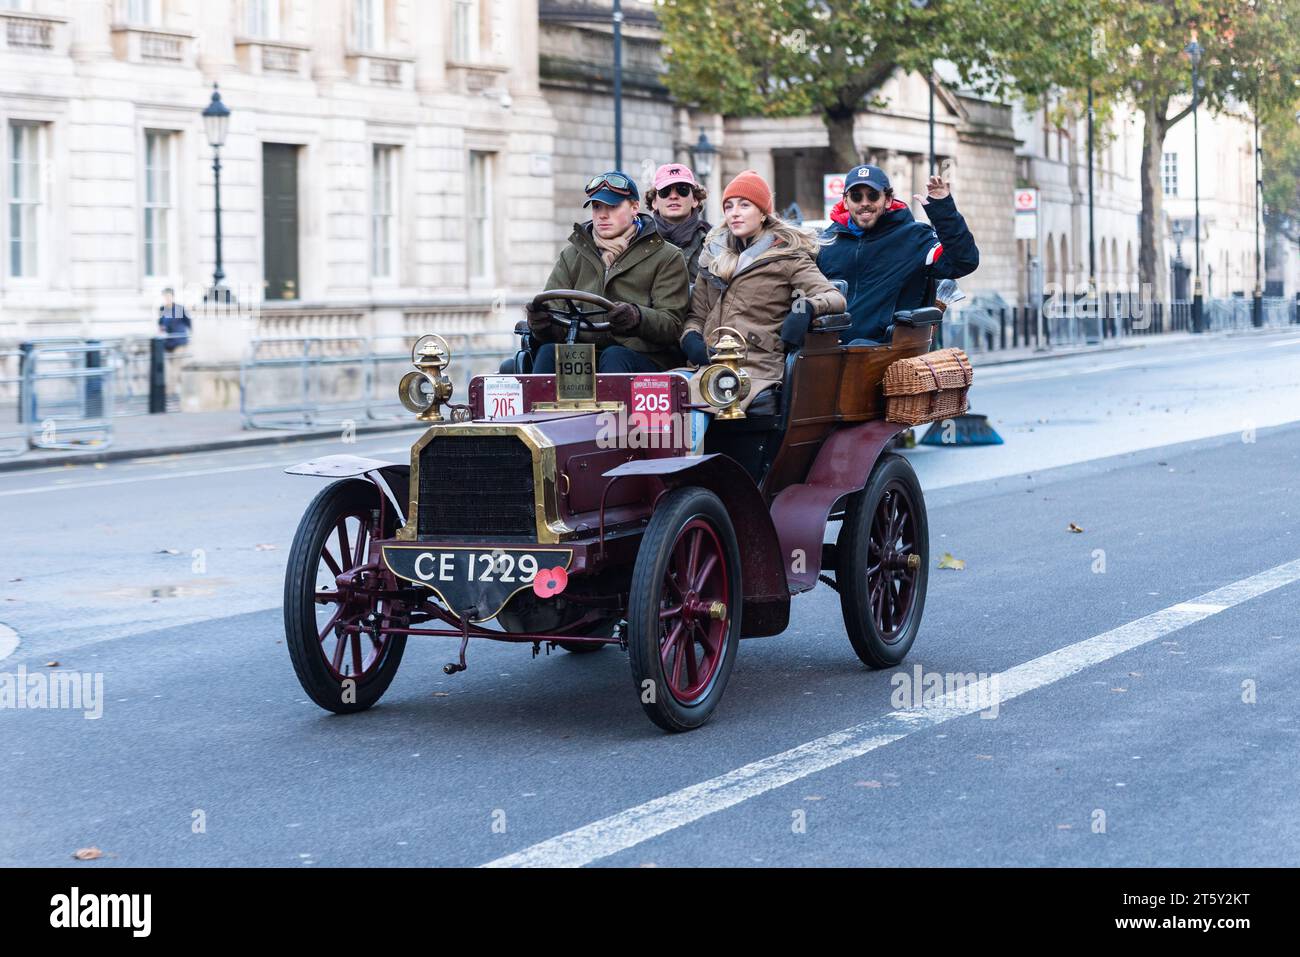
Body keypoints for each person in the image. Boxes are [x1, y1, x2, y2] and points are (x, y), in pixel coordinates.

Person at [680, 170, 845, 414]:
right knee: (657, 397)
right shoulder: (713, 258)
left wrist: (805, 308)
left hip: (755, 367)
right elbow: (696, 315)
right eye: (728, 206)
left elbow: (834, 297)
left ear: (763, 213)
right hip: (707, 363)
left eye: (744, 205)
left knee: (695, 404)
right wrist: (691, 338)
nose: (734, 213)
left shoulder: (788, 257)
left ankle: (690, 453)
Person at [526, 170, 689, 374]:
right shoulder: (572, 255)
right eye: (597, 207)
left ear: (634, 208)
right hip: (582, 354)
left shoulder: (667, 256)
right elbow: (554, 314)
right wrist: (540, 324)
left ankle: (614, 408)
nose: (602, 215)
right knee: (549, 353)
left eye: (612, 206)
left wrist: (637, 317)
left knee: (614, 356)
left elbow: (672, 325)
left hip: (643, 357)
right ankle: (535, 406)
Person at [817, 165, 979, 344]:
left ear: (887, 200)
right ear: (845, 202)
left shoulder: (914, 237)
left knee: (858, 346)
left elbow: (964, 261)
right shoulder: (827, 242)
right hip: (829, 346)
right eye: (856, 196)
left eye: (872, 195)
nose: (864, 203)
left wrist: (944, 210)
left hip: (888, 348)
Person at [646, 163, 711, 284]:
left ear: (695, 200)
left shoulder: (715, 241)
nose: (674, 196)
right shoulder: (638, 240)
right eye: (665, 191)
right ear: (654, 202)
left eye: (682, 190)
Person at [157, 287, 192, 352]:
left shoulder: (179, 308)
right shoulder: (162, 309)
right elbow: (161, 324)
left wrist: (189, 336)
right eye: (165, 296)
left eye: (169, 296)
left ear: (173, 296)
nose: (167, 298)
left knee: (176, 361)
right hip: (167, 342)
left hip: (179, 342)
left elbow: (188, 323)